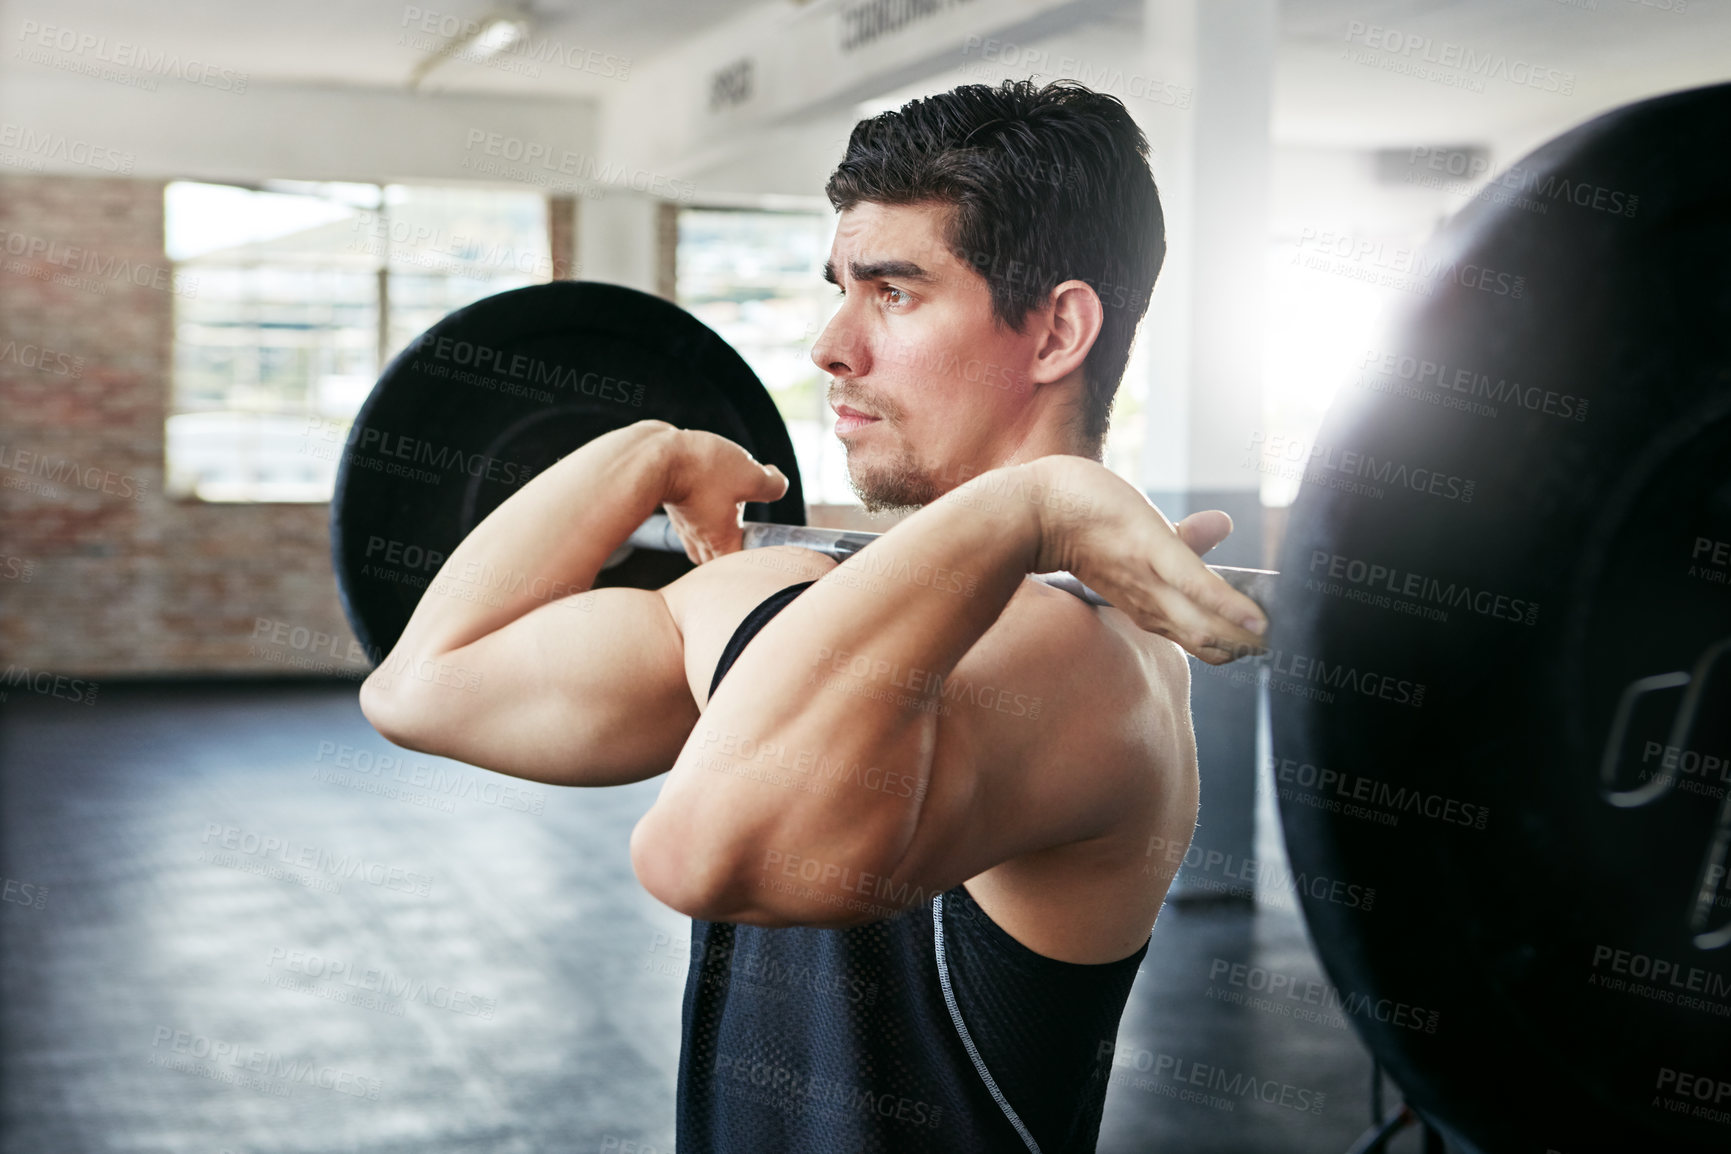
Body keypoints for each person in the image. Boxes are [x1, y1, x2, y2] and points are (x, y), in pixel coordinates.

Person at [360, 79, 1267, 1153]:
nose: (830, 344)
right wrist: (647, 450)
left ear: (1058, 328)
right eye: (839, 287)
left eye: (895, 292)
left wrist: (1028, 508)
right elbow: (424, 683)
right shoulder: (788, 595)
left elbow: (704, 854)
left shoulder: (1081, 664)